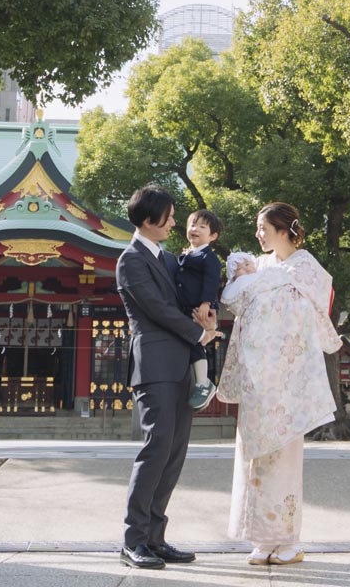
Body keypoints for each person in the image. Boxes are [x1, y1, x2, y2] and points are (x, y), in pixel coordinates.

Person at [217, 201, 341, 567]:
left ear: (285, 229)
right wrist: (246, 277)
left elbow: (307, 313)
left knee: (284, 459)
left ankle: (288, 539)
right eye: (258, 228)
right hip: (259, 377)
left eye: (263, 228)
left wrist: (255, 282)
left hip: (287, 380)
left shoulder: (305, 266)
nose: (258, 234)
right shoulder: (264, 265)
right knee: (253, 457)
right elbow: (234, 297)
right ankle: (260, 539)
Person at [116, 185, 220, 571]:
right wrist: (200, 334)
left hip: (181, 367)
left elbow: (195, 293)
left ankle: (155, 538)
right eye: (170, 216)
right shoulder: (130, 261)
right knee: (156, 449)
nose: (176, 222)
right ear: (148, 220)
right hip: (155, 366)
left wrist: (209, 314)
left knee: (174, 454)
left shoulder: (171, 259)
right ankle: (134, 540)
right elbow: (158, 309)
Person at [175, 208, 226, 409]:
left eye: (201, 226)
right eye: (192, 225)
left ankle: (204, 383)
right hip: (185, 307)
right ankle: (200, 382)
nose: (194, 229)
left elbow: (212, 281)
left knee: (196, 343)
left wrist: (206, 303)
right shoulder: (185, 254)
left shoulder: (209, 258)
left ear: (213, 236)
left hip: (200, 308)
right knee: (192, 343)